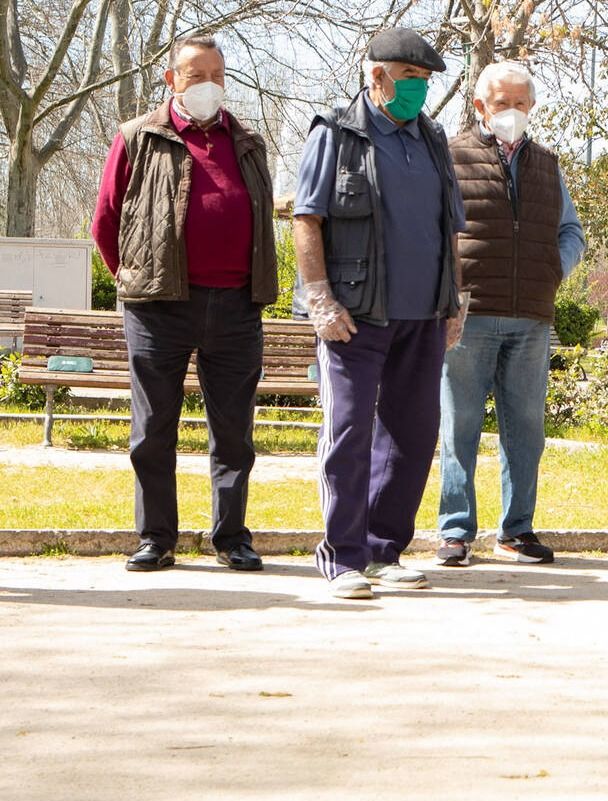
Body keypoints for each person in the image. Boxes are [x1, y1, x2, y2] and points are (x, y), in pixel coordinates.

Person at [89, 34, 278, 574]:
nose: (207, 85)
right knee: (152, 430)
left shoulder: (248, 143)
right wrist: (130, 277)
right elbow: (106, 221)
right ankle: (156, 537)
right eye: (195, 75)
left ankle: (231, 537)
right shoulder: (136, 137)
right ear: (171, 80)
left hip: (238, 306)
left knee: (235, 433)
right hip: (158, 306)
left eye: (216, 74)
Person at [292, 28, 466, 600]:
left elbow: (452, 230)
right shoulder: (337, 135)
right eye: (410, 78)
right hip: (354, 313)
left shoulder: (434, 139)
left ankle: (383, 550)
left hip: (423, 317)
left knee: (414, 434)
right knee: (349, 433)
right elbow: (307, 219)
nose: (419, 90)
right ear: (377, 76)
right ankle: (341, 557)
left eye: (425, 81)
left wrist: (454, 304)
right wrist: (319, 298)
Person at [435, 62, 587, 568]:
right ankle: (456, 532)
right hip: (469, 318)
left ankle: (516, 531)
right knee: (459, 427)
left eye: (521, 103)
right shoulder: (450, 156)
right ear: (480, 106)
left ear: (533, 107)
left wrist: (550, 273)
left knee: (526, 429)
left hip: (531, 318)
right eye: (502, 103)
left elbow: (572, 233)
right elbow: (435, 231)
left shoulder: (548, 163)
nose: (512, 112)